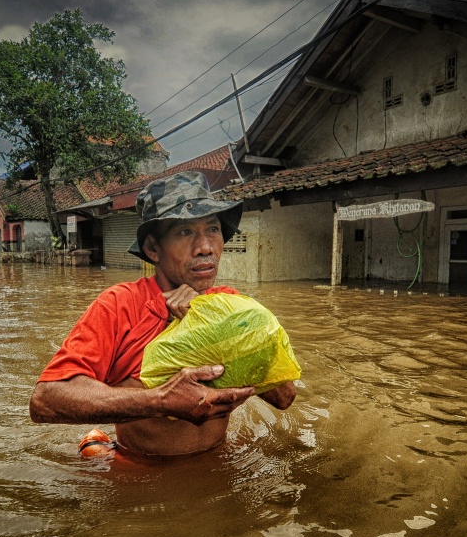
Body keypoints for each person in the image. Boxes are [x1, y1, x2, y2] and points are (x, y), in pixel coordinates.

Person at [29, 171, 296, 458]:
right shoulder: (120, 305)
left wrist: (211, 324)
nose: (205, 247)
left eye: (213, 229)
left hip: (216, 461)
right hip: (141, 472)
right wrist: (160, 400)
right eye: (185, 232)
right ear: (153, 249)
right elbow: (45, 401)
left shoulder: (230, 304)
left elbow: (284, 397)